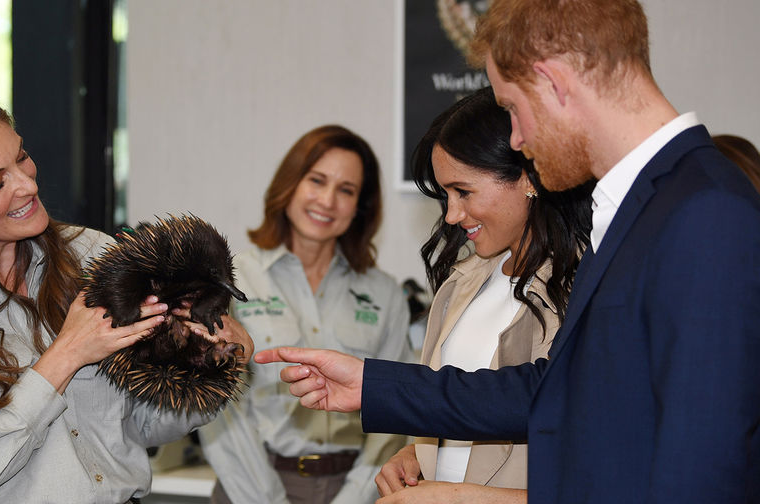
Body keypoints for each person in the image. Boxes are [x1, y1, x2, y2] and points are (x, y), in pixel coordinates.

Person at [256, 0, 760, 502]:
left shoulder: (706, 212)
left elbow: (702, 475)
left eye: (514, 109)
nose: (517, 137)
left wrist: (473, 499)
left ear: (554, 82)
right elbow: (559, 392)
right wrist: (372, 384)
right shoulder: (646, 205)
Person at [0, 91, 252, 504]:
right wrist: (66, 355)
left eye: (22, 156)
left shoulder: (91, 256)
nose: (28, 184)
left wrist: (210, 364)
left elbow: (140, 423)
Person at [374, 86, 592, 503]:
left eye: (464, 192)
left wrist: (459, 497)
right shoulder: (462, 280)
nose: (453, 215)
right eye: (446, 197)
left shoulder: (585, 286)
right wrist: (418, 454)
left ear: (527, 178)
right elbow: (457, 404)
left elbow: (590, 457)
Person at [198, 125, 413, 504]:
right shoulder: (232, 280)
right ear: (291, 184)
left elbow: (395, 407)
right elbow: (220, 409)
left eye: (346, 190)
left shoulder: (385, 293)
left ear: (360, 205)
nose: (328, 201)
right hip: (251, 486)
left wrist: (356, 497)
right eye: (317, 180)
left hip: (358, 489)